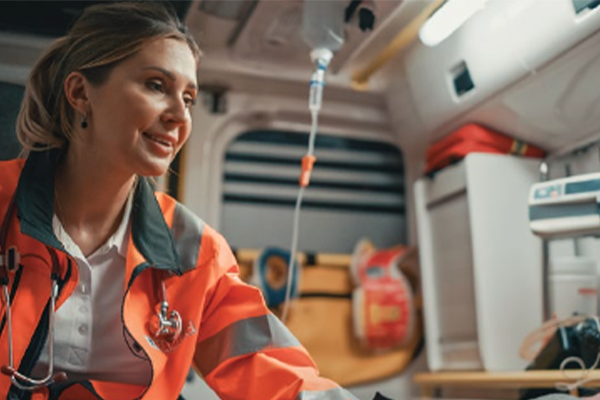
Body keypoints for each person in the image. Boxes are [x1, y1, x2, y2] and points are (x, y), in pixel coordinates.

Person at [0, 2, 368, 400]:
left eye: (189, 98)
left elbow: (274, 372)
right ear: (79, 93)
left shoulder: (194, 249)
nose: (179, 115)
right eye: (156, 85)